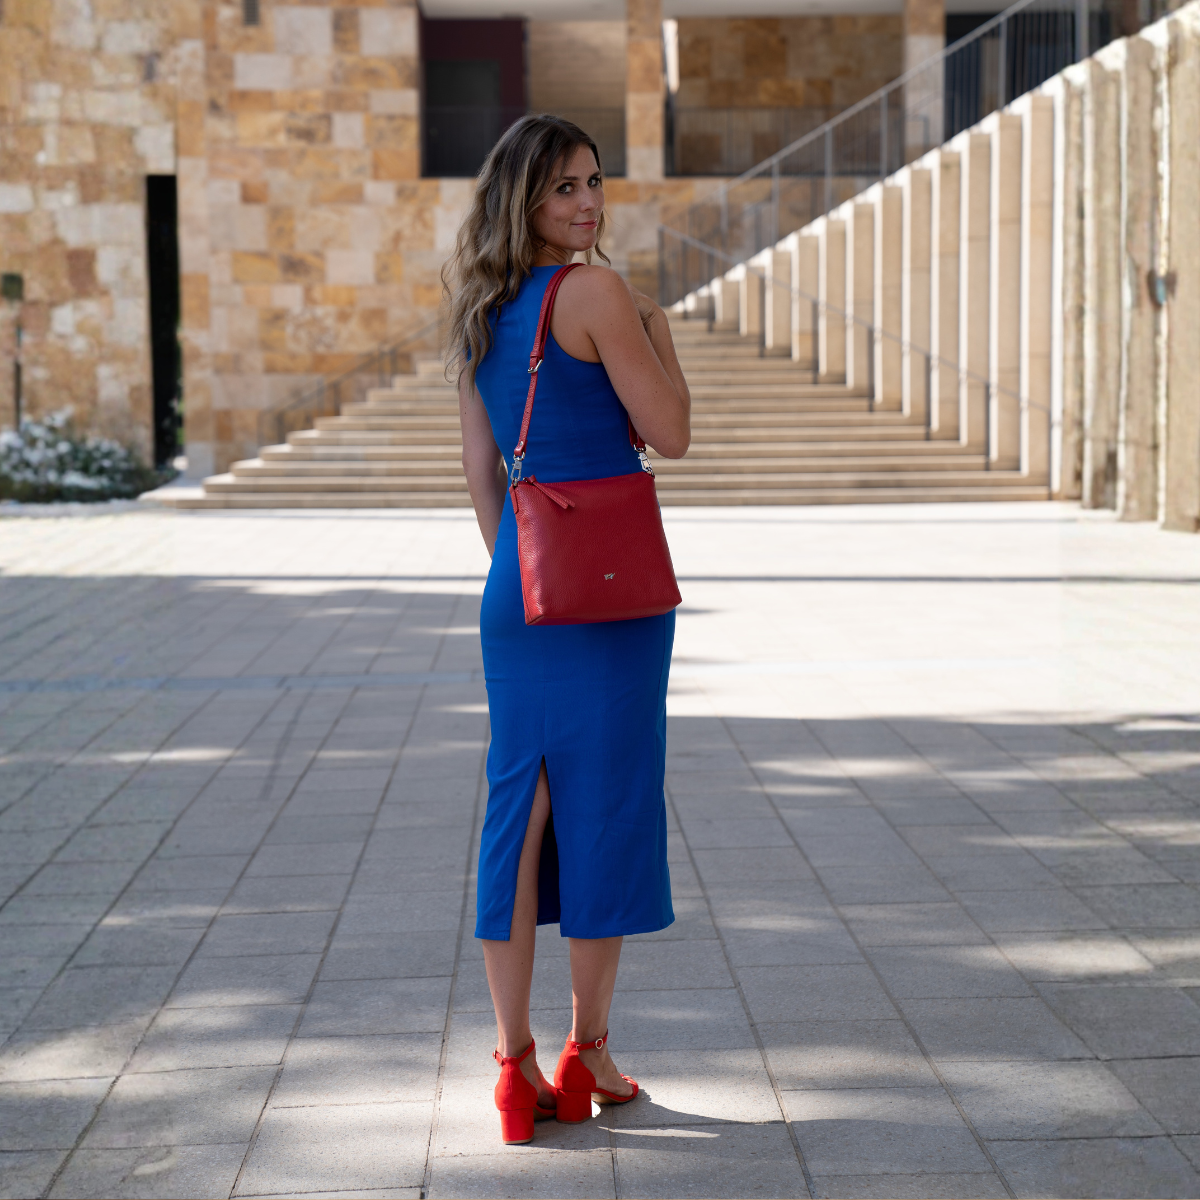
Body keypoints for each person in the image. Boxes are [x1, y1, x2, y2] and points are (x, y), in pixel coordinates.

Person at [444, 114, 691, 1145]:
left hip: (522, 588)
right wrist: (658, 327)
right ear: (525, 203)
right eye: (564, 192)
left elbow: (479, 474)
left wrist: (525, 572)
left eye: (594, 183)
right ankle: (587, 1053)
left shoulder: (478, 309)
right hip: (611, 591)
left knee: (520, 811)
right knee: (607, 805)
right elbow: (671, 433)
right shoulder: (592, 293)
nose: (588, 206)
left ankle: (513, 1068)